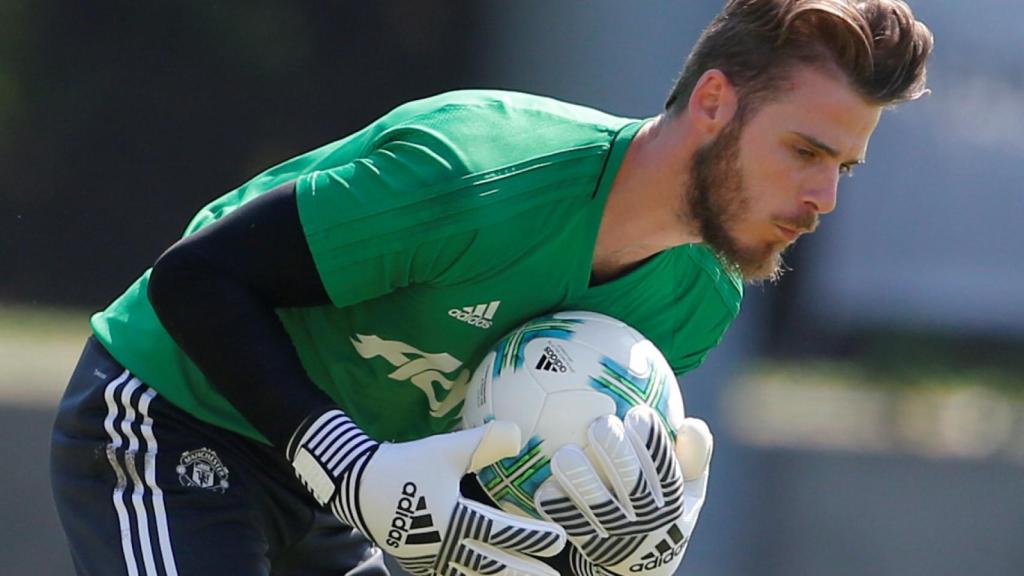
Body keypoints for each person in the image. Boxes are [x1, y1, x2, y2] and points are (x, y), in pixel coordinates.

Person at [50, 1, 933, 575]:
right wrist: (347, 459)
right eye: (806, 152)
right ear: (713, 103)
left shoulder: (695, 304)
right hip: (171, 416)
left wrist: (604, 550)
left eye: (845, 168)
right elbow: (194, 279)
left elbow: (481, 490)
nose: (822, 200)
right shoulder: (479, 173)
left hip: (340, 497)